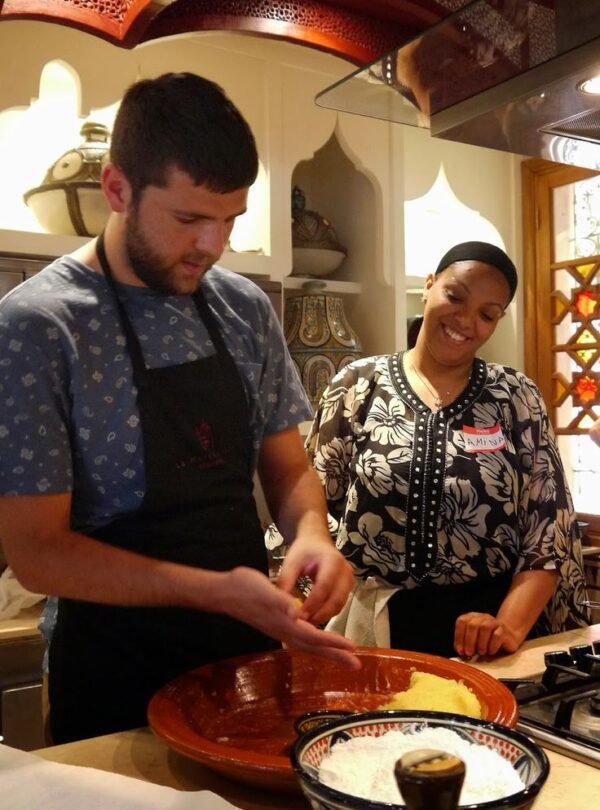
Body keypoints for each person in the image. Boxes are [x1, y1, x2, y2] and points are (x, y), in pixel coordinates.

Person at [0, 72, 358, 744]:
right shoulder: (39, 326)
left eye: (229, 220)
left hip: (244, 661)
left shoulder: (243, 307)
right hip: (112, 677)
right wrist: (212, 588)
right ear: (117, 189)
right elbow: (37, 554)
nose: (212, 246)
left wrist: (313, 531)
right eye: (190, 219)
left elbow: (286, 468)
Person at [306, 241, 591, 660]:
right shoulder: (358, 384)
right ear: (428, 286)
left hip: (485, 637)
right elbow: (312, 504)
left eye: (487, 314)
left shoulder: (515, 396)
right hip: (372, 632)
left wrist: (507, 626)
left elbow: (547, 532)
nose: (465, 320)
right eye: (455, 296)